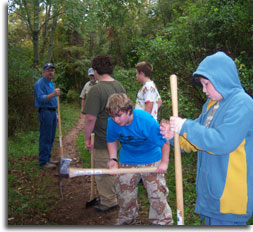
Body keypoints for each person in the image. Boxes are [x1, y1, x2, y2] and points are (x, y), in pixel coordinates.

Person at [160, 51, 253, 225]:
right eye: (202, 85)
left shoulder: (243, 104)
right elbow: (196, 140)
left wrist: (185, 126)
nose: (203, 90)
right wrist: (174, 136)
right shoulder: (212, 105)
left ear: (221, 78)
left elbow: (222, 142)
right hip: (210, 198)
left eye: (206, 84)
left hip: (229, 202)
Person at [106, 93, 173, 225]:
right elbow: (112, 140)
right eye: (113, 116)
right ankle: (126, 220)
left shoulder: (145, 121)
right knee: (124, 195)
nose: (116, 120)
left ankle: (162, 222)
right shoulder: (112, 123)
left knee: (157, 195)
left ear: (129, 110)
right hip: (128, 159)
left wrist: (164, 163)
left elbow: (165, 143)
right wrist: (113, 159)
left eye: (119, 115)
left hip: (151, 159)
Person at [83, 54, 126, 212]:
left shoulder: (96, 90)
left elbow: (90, 118)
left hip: (102, 137)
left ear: (95, 70)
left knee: (103, 169)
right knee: (112, 166)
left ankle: (109, 201)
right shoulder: (119, 86)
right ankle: (113, 194)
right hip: (118, 136)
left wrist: (87, 138)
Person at [34, 62, 60, 169]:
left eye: (52, 70)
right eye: (48, 70)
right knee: (45, 136)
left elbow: (53, 99)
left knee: (51, 136)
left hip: (52, 112)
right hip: (45, 112)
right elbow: (41, 98)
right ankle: (43, 162)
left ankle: (47, 159)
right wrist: (53, 94)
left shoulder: (50, 83)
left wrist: (56, 113)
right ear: (44, 71)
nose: (51, 72)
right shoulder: (39, 83)